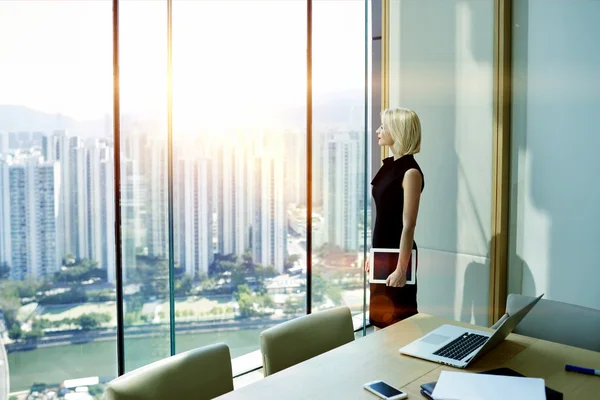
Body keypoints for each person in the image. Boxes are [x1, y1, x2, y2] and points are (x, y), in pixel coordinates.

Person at [365, 107, 424, 330]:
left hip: (399, 255)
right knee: (380, 322)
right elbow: (383, 217)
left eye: (383, 127)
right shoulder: (388, 166)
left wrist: (401, 268)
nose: (378, 130)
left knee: (399, 325)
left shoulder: (411, 173)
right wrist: (374, 254)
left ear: (398, 131)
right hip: (382, 253)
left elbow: (408, 226)